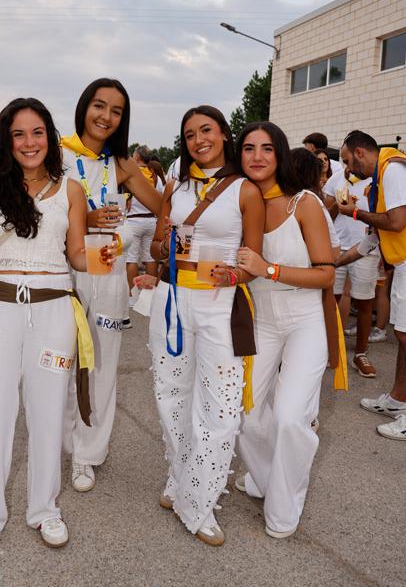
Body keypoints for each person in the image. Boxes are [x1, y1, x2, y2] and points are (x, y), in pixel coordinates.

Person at [0, 97, 96, 552]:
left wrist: (99, 257)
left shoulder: (71, 189)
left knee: (48, 409)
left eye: (37, 132)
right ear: (5, 140)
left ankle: (44, 508)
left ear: (50, 138)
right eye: (19, 134)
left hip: (54, 309)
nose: (29, 142)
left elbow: (75, 253)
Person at [149, 105, 264, 546]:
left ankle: (201, 501)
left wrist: (233, 274)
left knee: (219, 405)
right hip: (172, 299)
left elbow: (252, 261)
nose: (199, 139)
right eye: (190, 133)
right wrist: (165, 246)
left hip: (219, 305)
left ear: (223, 135)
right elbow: (160, 244)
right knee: (171, 394)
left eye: (207, 130)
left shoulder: (245, 191)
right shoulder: (176, 186)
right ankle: (180, 480)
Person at [235, 122, 336, 538]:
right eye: (247, 148)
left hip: (304, 321)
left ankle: (283, 506)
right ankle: (266, 477)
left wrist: (268, 268)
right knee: (244, 412)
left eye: (266, 149)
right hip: (261, 320)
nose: (256, 157)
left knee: (293, 417)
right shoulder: (241, 201)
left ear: (279, 154)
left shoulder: (304, 202)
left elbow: (326, 274)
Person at [61, 78, 162, 493]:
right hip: (60, 265)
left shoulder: (121, 164)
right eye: (99, 106)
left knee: (101, 363)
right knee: (58, 359)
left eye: (116, 111)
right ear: (85, 107)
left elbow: (162, 207)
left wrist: (200, 184)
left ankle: (87, 453)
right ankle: (57, 440)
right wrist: (84, 219)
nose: (105, 116)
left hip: (106, 264)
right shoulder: (57, 153)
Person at [337, 130, 406, 441]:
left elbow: (395, 222)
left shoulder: (391, 169)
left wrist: (352, 211)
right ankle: (397, 399)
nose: (348, 170)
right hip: (402, 264)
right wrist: (332, 264)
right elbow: (369, 240)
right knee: (404, 336)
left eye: (348, 162)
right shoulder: (379, 181)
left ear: (361, 152)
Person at [323, 165, 379, 377]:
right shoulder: (336, 179)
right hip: (336, 246)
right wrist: (339, 205)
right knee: (330, 301)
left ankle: (360, 354)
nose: (347, 165)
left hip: (366, 247)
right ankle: (329, 350)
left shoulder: (377, 181)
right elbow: (326, 215)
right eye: (344, 160)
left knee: (364, 302)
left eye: (348, 159)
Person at [126, 145, 160, 294]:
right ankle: (150, 293)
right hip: (151, 220)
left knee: (131, 259)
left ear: (137, 157)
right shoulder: (156, 177)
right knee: (150, 258)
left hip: (134, 221)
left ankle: (133, 293)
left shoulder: (131, 176)